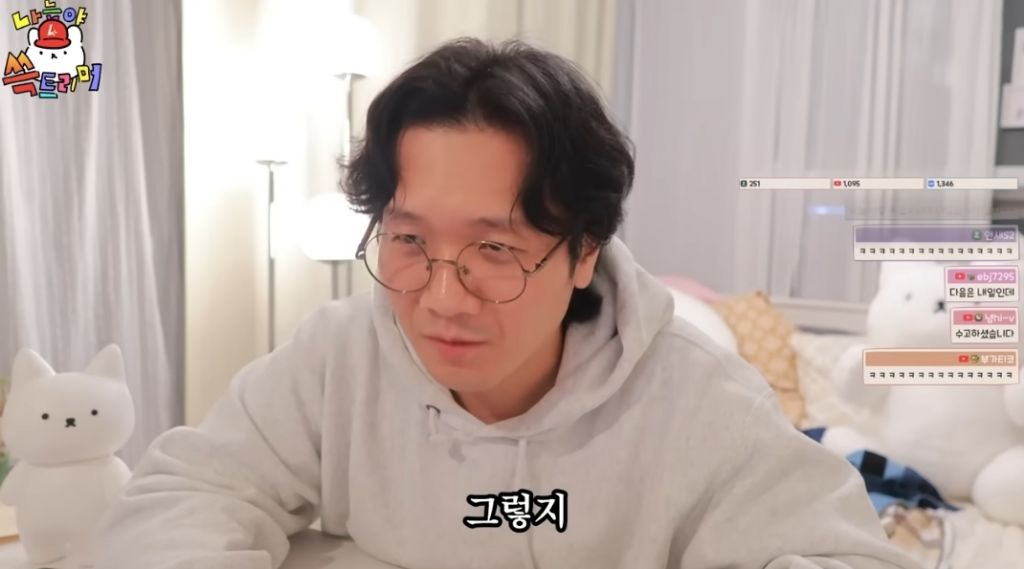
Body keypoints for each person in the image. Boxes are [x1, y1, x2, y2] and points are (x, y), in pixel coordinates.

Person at [96, 38, 922, 569]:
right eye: (409, 240)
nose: (440, 299)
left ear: (584, 252)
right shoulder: (337, 357)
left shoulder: (695, 399)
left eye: (495, 251)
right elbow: (182, 498)